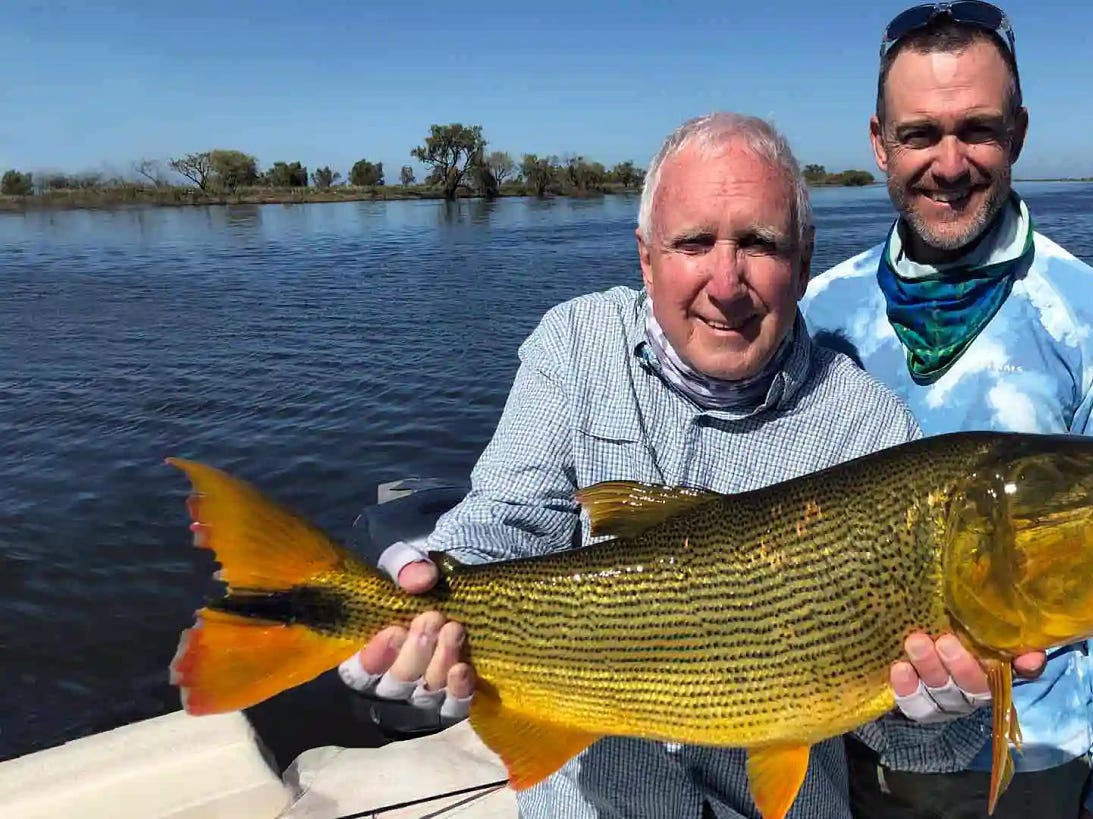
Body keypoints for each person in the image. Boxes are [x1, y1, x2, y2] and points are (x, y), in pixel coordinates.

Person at [330, 111, 1046, 819]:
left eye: (759, 243)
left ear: (803, 261)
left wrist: (938, 712)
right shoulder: (576, 346)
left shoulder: (869, 428)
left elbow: (921, 750)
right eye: (694, 242)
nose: (725, 280)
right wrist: (429, 584)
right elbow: (507, 523)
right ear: (646, 257)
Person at [797, 4, 1093, 819]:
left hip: (1035, 763)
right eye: (920, 133)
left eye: (979, 129)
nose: (950, 161)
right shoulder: (821, 312)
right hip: (852, 756)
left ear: (1020, 132)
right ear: (878, 143)